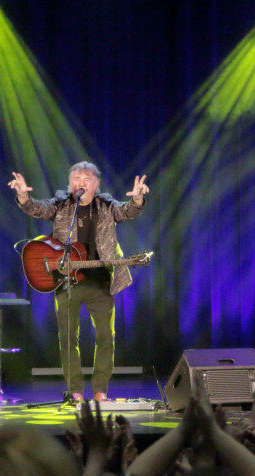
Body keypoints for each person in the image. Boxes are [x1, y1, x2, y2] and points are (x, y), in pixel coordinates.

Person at [8, 162, 149, 401]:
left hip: (101, 282)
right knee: (67, 338)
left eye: (86, 178)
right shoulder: (62, 205)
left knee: (106, 336)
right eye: (75, 178)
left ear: (95, 184)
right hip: (66, 282)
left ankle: (100, 391)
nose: (80, 183)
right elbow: (37, 209)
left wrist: (136, 201)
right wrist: (23, 196)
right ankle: (75, 391)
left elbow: (126, 212)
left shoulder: (106, 206)